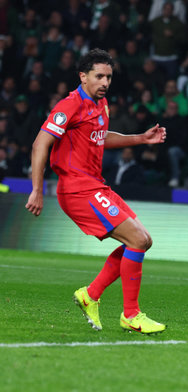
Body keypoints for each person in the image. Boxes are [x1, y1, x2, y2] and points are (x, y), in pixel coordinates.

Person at [24, 49, 167, 334]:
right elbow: (40, 144)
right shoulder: (70, 105)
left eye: (109, 77)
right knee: (137, 239)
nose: (105, 82)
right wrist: (36, 190)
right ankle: (131, 315)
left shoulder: (100, 104)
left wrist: (140, 138)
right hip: (77, 189)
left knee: (143, 241)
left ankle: (90, 295)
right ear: (83, 76)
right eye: (99, 76)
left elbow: (100, 138)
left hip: (95, 185)